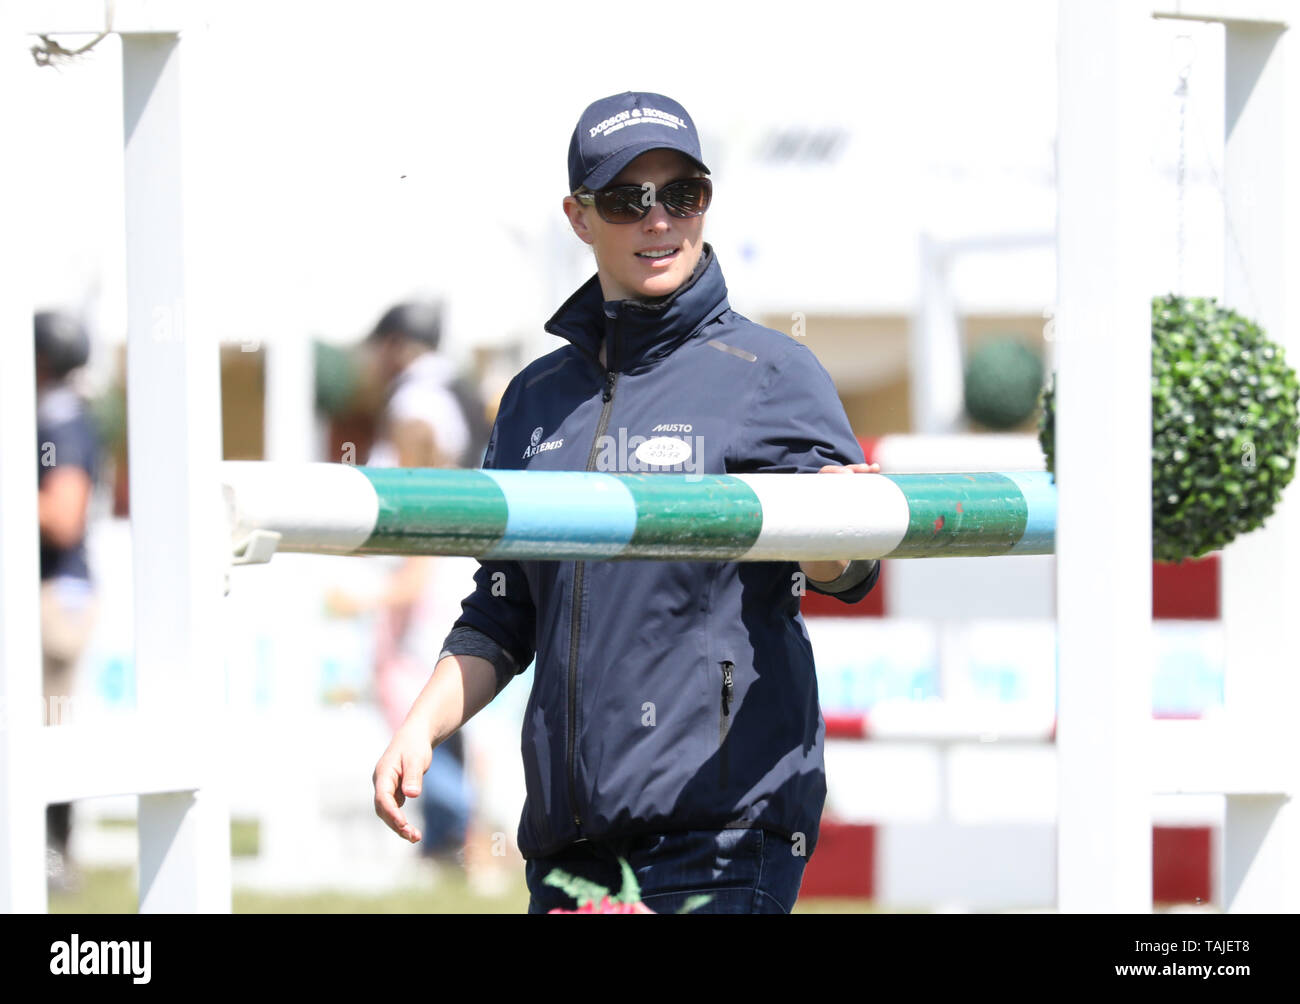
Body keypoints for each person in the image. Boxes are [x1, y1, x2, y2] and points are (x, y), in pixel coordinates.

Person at [372, 91, 881, 914]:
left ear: (705, 202)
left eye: (681, 194)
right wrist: (420, 728)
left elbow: (847, 566)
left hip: (718, 836)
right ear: (579, 217)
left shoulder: (771, 372)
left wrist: (830, 519)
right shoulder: (534, 397)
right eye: (626, 199)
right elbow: (503, 613)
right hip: (570, 853)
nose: (658, 220)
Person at [34, 310, 100, 891]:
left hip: (53, 597)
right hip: (59, 593)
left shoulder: (58, 421)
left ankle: (55, 854)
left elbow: (62, 515)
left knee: (48, 726)